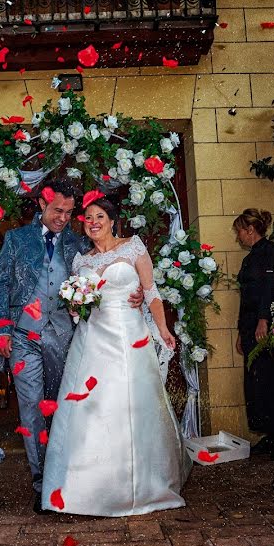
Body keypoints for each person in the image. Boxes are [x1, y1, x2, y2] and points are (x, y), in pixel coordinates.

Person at [0, 180, 142, 514]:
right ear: (43, 204)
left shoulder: (77, 242)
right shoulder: (17, 239)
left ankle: (65, 478)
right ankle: (42, 484)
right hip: (24, 336)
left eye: (69, 212)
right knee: (30, 407)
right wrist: (0, 329)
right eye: (57, 210)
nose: (63, 218)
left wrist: (137, 291)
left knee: (61, 408)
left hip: (64, 337)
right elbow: (0, 286)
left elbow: (105, 272)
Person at [40, 197, 187, 516]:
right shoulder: (81, 262)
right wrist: (75, 304)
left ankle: (135, 485)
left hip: (128, 337)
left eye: (100, 216)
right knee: (89, 409)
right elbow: (79, 309)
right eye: (88, 217)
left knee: (129, 406)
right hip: (92, 340)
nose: (93, 222)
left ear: (112, 220)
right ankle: (82, 487)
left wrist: (162, 329)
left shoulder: (133, 248)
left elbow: (151, 293)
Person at [233, 209, 274, 461]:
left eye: (239, 230)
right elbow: (245, 298)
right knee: (258, 383)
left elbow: (271, 289)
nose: (238, 236)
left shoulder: (270, 252)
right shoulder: (249, 259)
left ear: (250, 230)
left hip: (267, 326)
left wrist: (264, 321)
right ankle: (271, 436)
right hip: (251, 327)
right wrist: (241, 331)